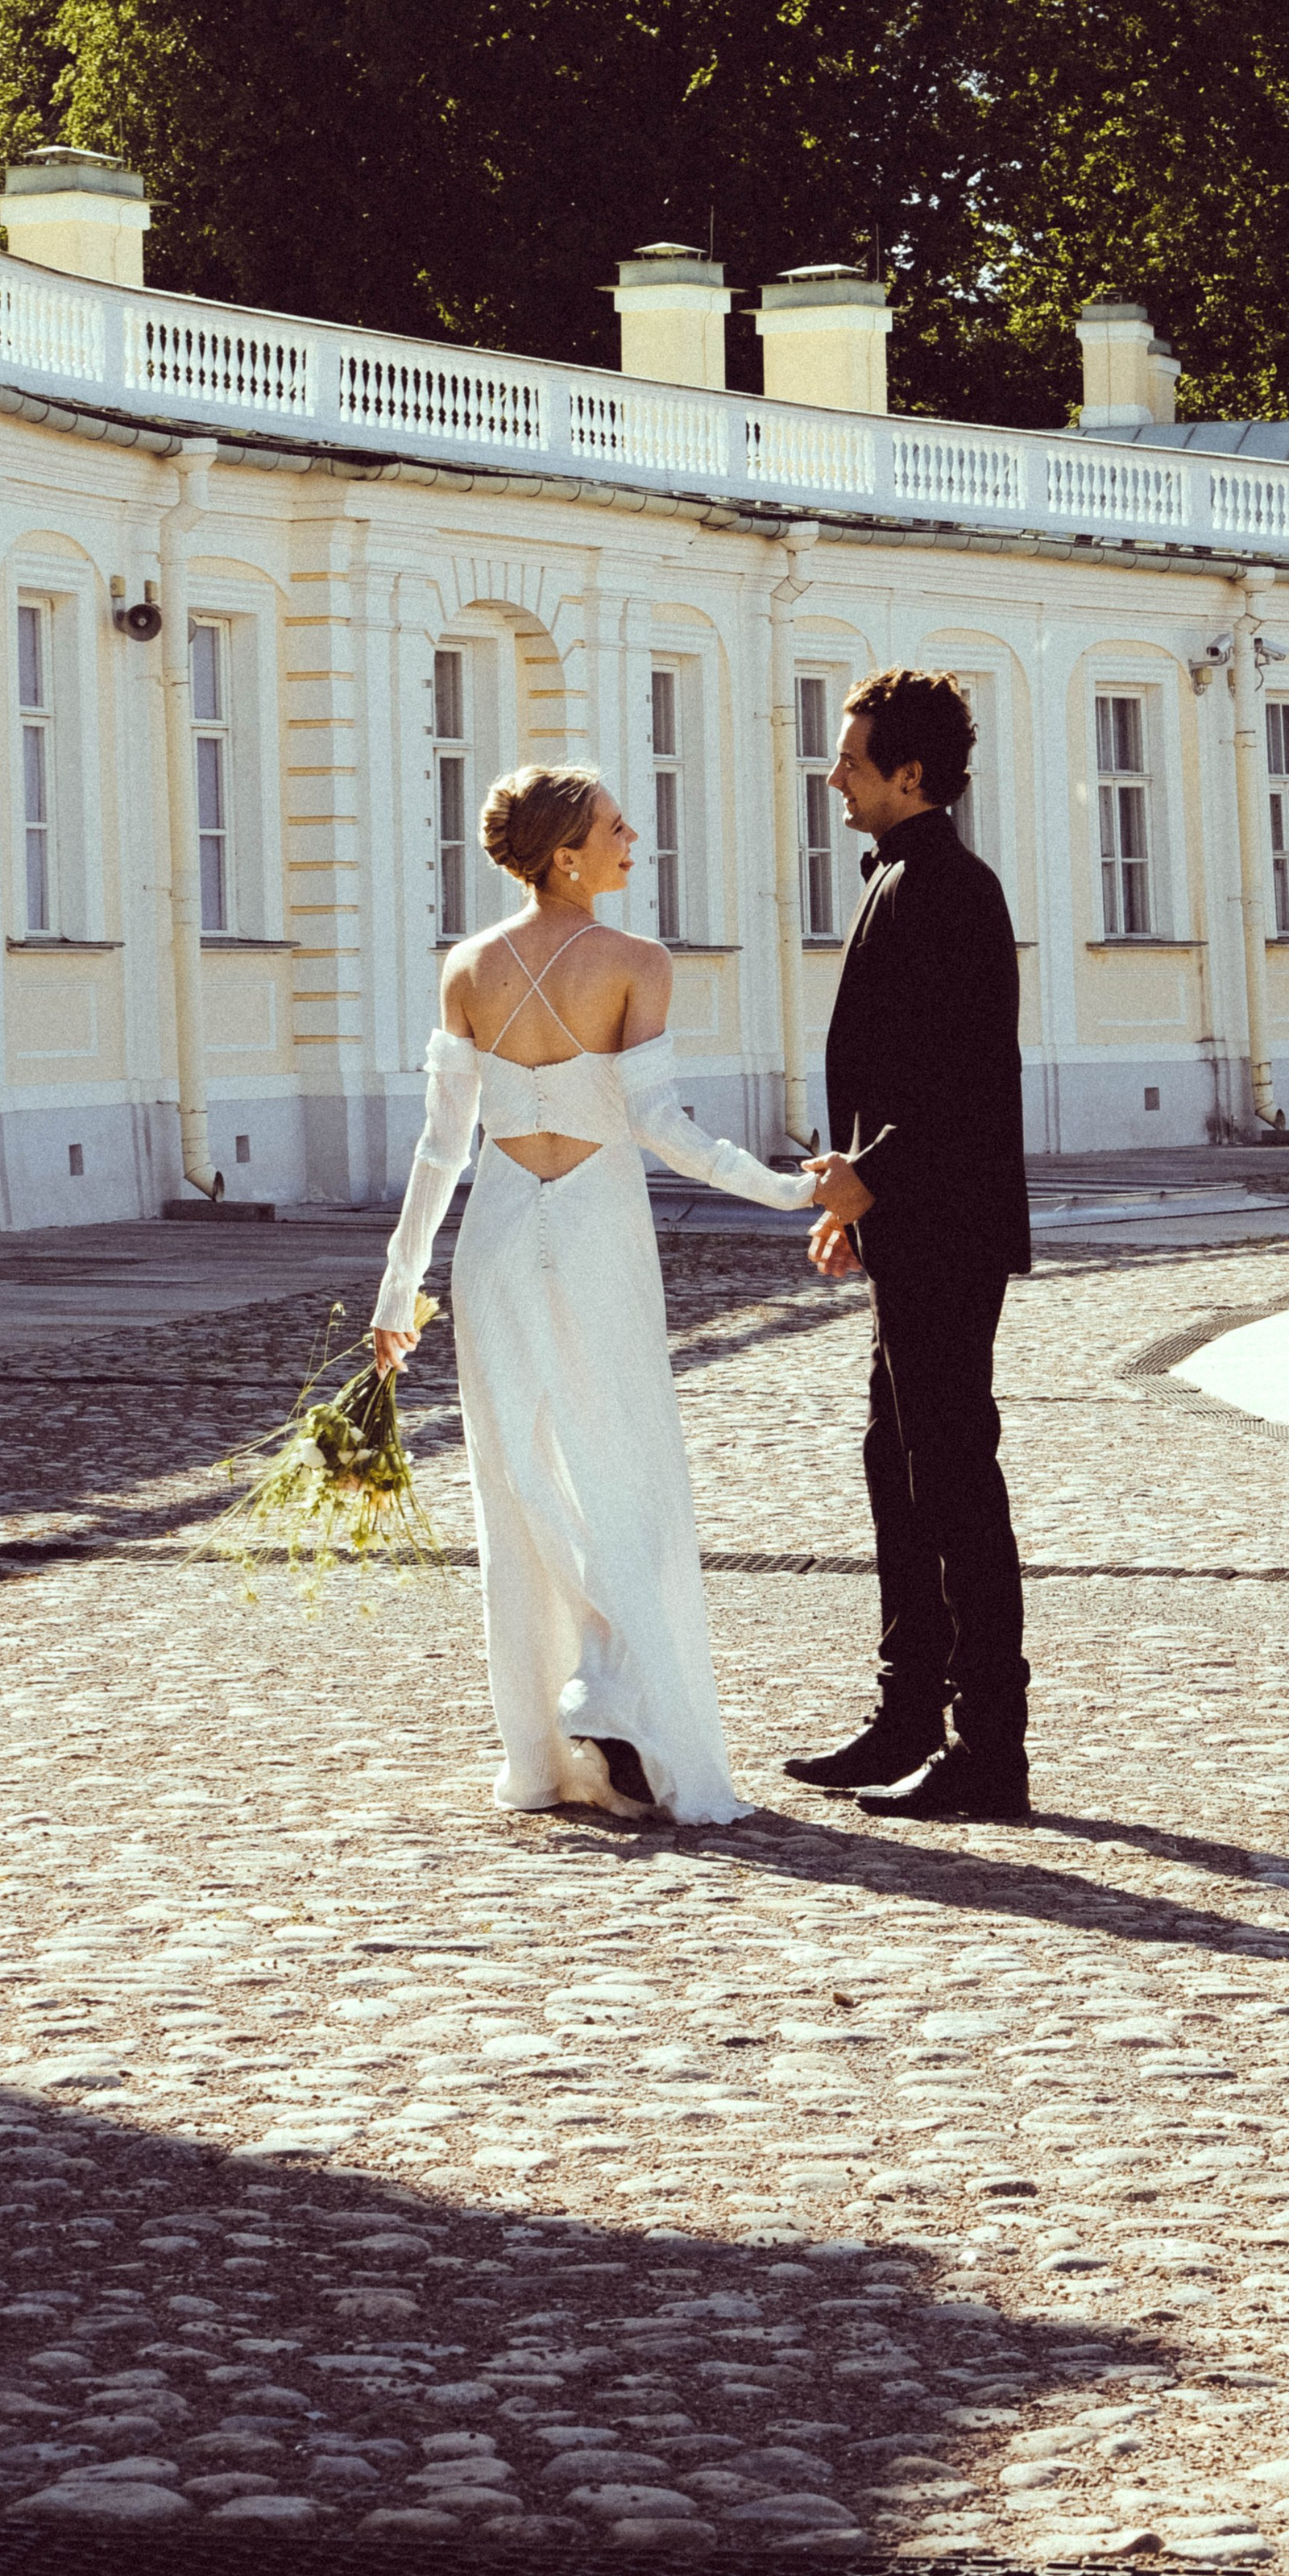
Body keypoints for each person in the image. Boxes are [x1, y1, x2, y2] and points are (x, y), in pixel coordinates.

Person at [371, 760, 815, 1824]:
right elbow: (661, 1125)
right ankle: (616, 1700)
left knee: (521, 1477)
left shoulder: (468, 966)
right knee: (625, 1467)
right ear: (567, 850)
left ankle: (585, 1706)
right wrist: (786, 1189)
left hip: (499, 1233)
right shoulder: (634, 962)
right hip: (599, 1226)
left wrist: (398, 1297)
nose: (635, 841)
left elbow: (443, 1151)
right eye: (618, 827)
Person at [789, 668, 1033, 1824]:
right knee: (898, 1465)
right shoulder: (909, 879)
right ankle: (906, 1715)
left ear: (911, 774)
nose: (832, 774)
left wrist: (868, 1176)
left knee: (953, 1480)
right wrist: (858, 1199)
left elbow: (956, 1080)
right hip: (913, 1219)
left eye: (850, 758)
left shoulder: (950, 889)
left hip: (947, 1224)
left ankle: (991, 1746)